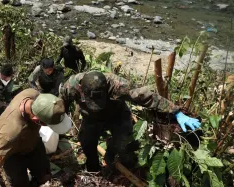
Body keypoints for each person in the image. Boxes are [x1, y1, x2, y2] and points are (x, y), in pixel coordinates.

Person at [60, 71, 201, 172]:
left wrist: (175, 111)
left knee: (125, 145)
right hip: (91, 118)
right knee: (87, 142)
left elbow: (146, 96)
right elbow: (61, 103)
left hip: (117, 116)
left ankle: (114, 159)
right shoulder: (71, 86)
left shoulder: (118, 85)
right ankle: (93, 168)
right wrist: (60, 120)